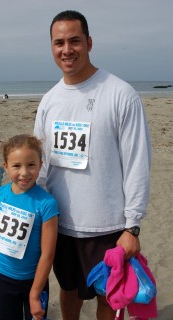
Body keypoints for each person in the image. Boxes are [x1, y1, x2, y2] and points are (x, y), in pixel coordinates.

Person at [34, 10, 151, 320]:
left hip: (108, 227)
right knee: (68, 292)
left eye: (75, 41)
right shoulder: (49, 101)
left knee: (108, 299)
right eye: (59, 42)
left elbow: (137, 162)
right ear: (52, 47)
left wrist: (132, 226)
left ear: (89, 42)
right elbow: (41, 166)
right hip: (59, 223)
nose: (67, 49)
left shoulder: (120, 94)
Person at [0, 134, 59, 320]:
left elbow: (48, 254)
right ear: (5, 166)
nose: (24, 173)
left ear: (40, 164)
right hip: (4, 280)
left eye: (31, 165)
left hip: (35, 281)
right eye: (16, 166)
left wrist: (35, 293)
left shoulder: (47, 204)